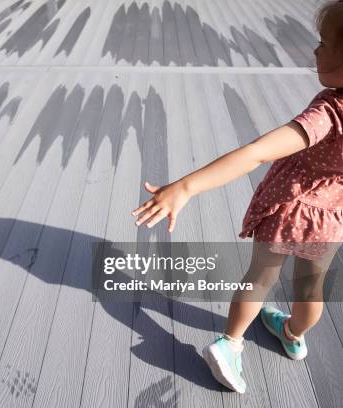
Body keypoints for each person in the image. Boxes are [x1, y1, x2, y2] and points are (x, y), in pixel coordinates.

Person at [130, 1, 343, 394]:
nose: (316, 50)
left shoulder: (329, 111)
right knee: (311, 290)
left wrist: (186, 186)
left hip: (290, 207)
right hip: (331, 218)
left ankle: (229, 345)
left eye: (326, 43)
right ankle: (294, 335)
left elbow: (257, 152)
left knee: (261, 277)